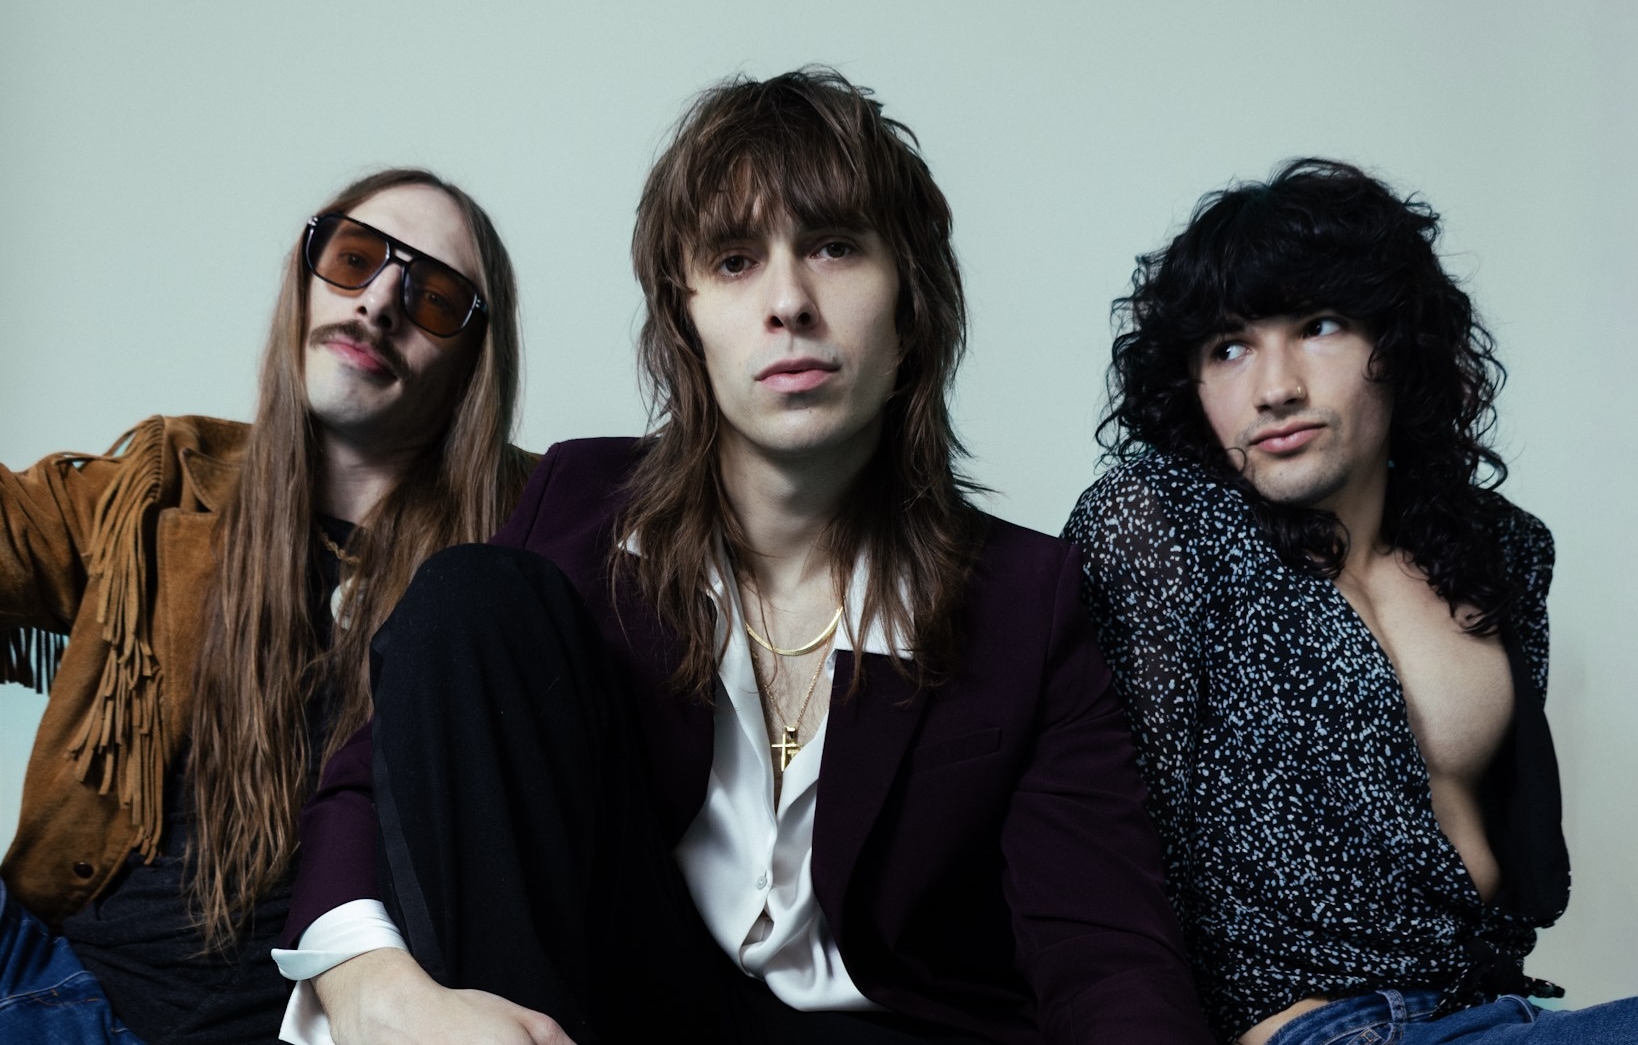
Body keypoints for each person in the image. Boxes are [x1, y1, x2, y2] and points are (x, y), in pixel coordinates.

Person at [274, 69, 1211, 1045]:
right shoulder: (576, 503)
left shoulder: (1026, 595)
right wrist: (375, 989)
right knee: (469, 598)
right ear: (684, 324)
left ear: (910, 310)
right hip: (613, 1013)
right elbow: (377, 784)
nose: (789, 302)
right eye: (734, 260)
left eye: (835, 246)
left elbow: (1106, 951)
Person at [1064, 159, 1638, 1045]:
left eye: (1319, 326)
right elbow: (1100, 842)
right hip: (1314, 1025)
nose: (1275, 388)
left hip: (1498, 1010)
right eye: (1228, 348)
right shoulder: (1162, 525)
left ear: (1398, 342)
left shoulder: (1498, 550)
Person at [0, 168, 532, 1044]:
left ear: (474, 362)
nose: (378, 303)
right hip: (52, 991)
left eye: (435, 298)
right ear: (304, 277)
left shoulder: (523, 546)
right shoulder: (162, 487)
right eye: (354, 259)